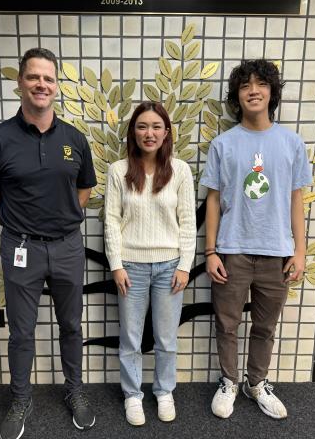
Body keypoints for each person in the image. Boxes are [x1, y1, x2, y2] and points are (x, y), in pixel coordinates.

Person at [0, 48, 97, 439]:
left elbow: (85, 190)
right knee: (21, 332)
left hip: (67, 247)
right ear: (20, 84)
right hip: (20, 247)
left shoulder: (75, 139)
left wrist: (58, 223)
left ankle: (74, 391)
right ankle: (21, 398)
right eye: (33, 77)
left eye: (48, 78)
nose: (41, 84)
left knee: (72, 325)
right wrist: (24, 225)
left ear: (56, 86)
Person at [200, 59, 312, 420]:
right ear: (236, 96)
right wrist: (211, 251)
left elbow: (297, 200)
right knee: (227, 323)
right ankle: (230, 381)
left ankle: (257, 383)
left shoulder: (292, 143)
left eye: (261, 84)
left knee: (265, 326)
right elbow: (213, 200)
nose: (253, 90)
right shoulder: (223, 144)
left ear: (271, 93)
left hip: (276, 254)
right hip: (231, 252)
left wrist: (300, 251)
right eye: (245, 85)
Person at [104, 102, 196, 426]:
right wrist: (116, 264)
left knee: (166, 337)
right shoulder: (118, 170)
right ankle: (132, 395)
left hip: (170, 267)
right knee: (130, 337)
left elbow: (187, 222)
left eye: (157, 126)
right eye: (142, 126)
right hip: (131, 267)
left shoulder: (180, 171)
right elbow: (111, 222)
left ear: (166, 132)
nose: (149, 133)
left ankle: (164, 391)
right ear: (133, 132)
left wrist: (185, 265)